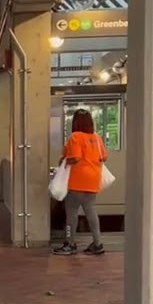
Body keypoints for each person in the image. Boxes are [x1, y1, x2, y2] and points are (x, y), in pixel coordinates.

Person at [52, 109, 107, 256]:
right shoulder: (96, 138)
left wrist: (63, 161)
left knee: (71, 213)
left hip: (77, 181)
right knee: (91, 211)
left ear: (75, 122)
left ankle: (70, 243)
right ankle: (98, 243)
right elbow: (104, 157)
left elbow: (75, 158)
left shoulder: (76, 136)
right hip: (93, 180)